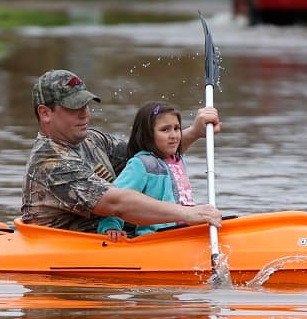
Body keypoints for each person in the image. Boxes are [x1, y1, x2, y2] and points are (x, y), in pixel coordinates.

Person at [22, 69, 222, 234]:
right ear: (45, 113)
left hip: (117, 238)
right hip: (71, 249)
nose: (84, 114)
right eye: (74, 108)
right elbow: (116, 203)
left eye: (85, 105)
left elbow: (150, 157)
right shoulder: (50, 162)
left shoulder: (93, 139)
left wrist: (195, 132)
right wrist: (188, 213)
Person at [97, 101, 195, 242]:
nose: (174, 135)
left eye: (176, 128)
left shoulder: (178, 160)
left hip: (185, 230)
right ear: (148, 134)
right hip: (156, 236)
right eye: (165, 130)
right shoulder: (141, 164)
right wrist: (111, 226)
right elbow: (116, 198)